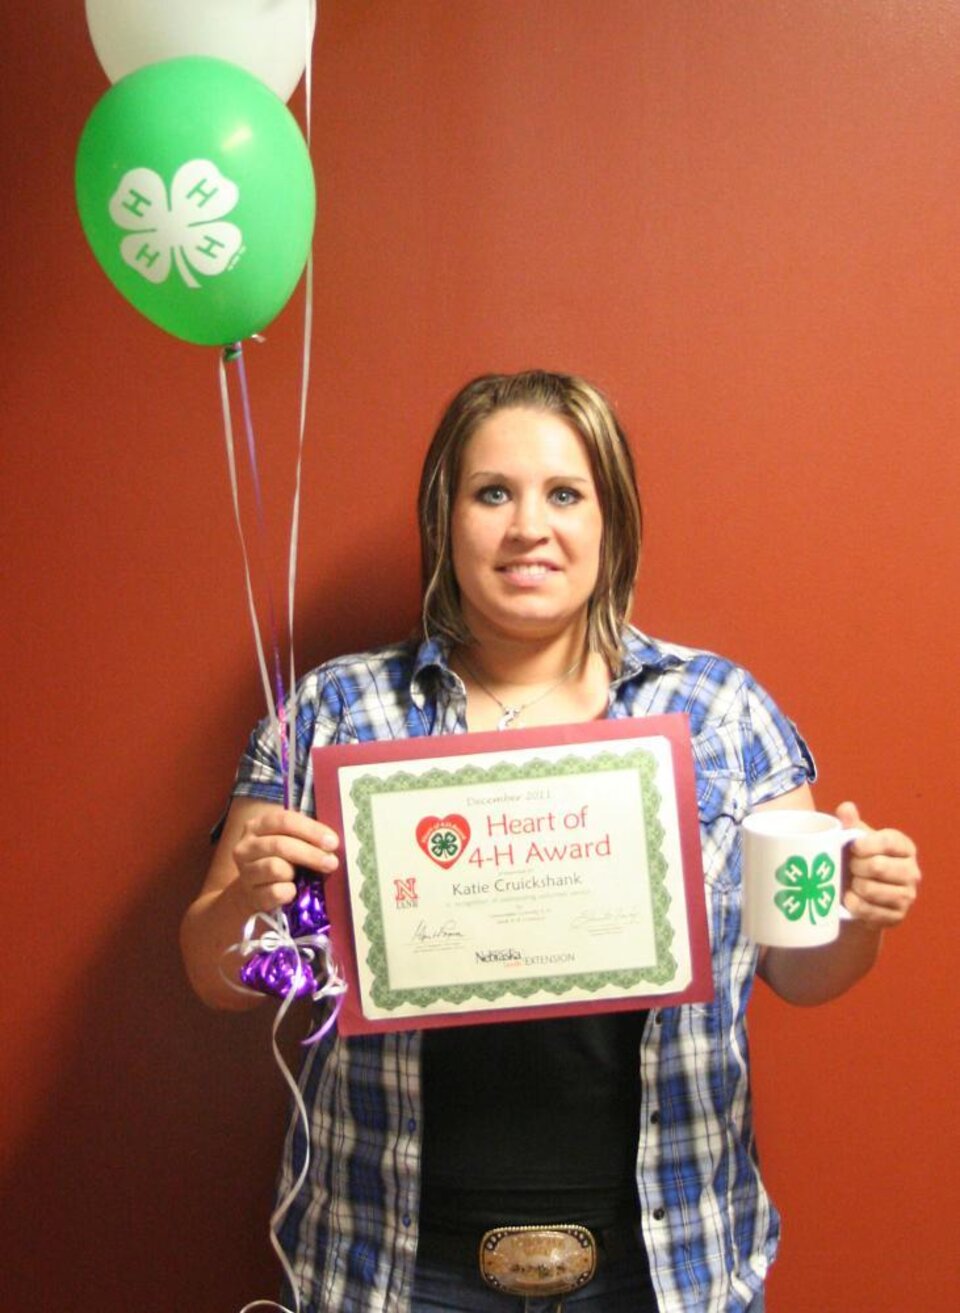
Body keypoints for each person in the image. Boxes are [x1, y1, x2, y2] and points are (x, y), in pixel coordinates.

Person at [181, 370, 920, 1313]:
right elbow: (214, 972)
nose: (530, 525)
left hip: (665, 1259)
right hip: (393, 1262)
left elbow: (802, 968)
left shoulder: (721, 712)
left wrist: (857, 913)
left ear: (612, 521)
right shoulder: (338, 709)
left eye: (565, 494)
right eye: (494, 492)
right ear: (444, 519)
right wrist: (254, 902)